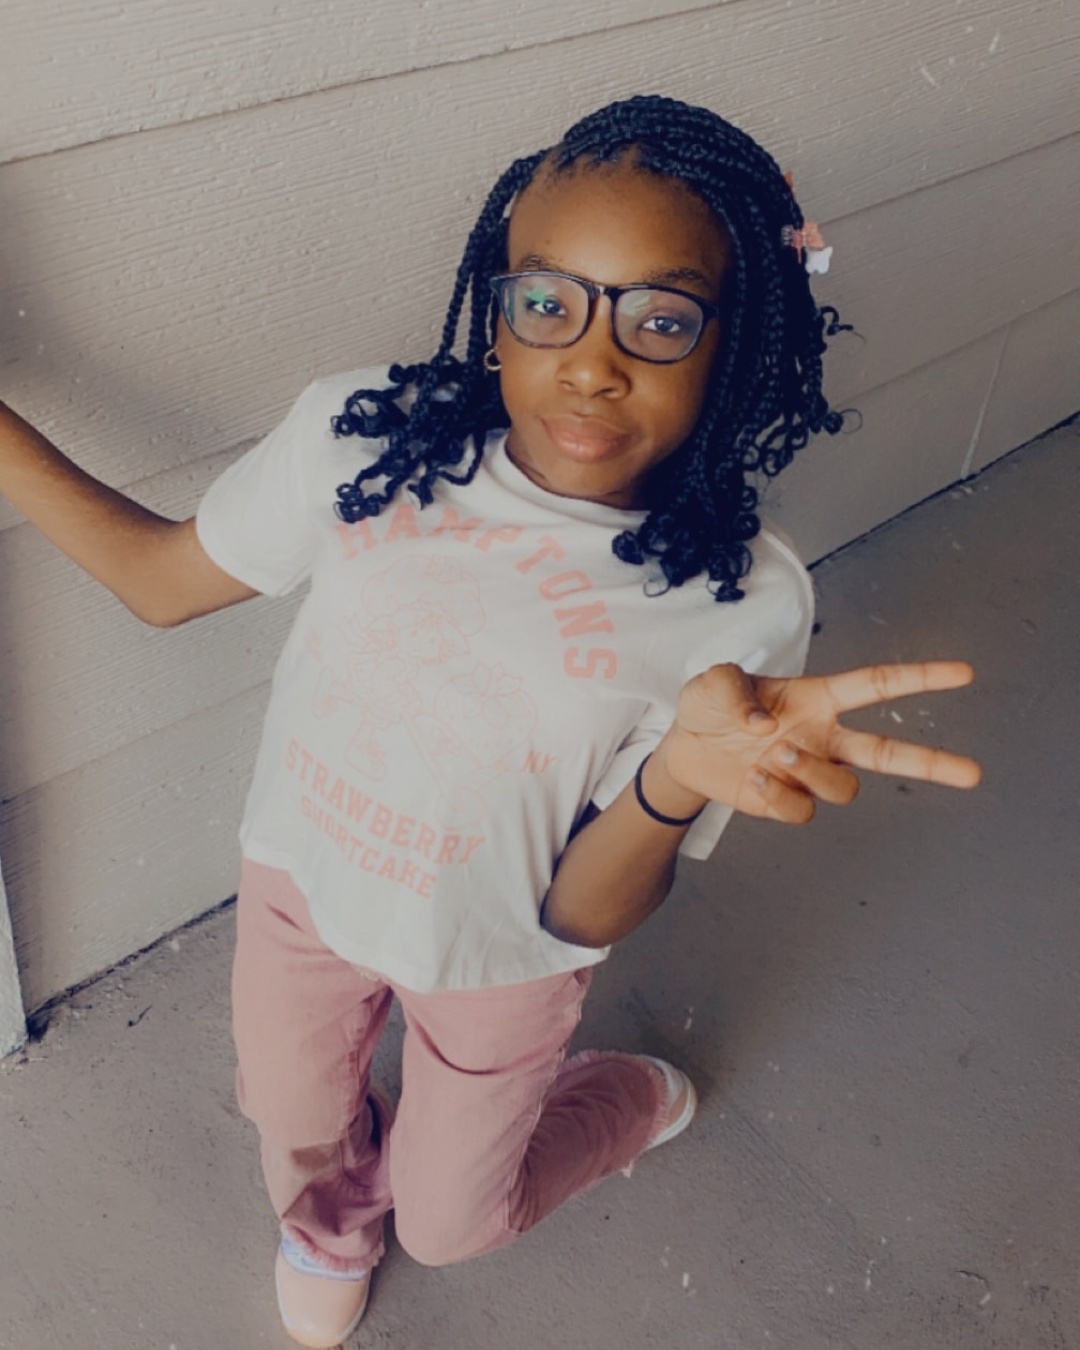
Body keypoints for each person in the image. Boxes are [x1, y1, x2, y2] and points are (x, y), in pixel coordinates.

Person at [0, 95, 980, 1348]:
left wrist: (679, 772)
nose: (591, 361)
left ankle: (611, 1101)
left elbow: (585, 910)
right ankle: (327, 1226)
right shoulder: (364, 440)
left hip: (505, 958)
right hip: (305, 889)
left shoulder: (739, 600)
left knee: (455, 1225)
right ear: (499, 297)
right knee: (291, 1119)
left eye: (661, 319)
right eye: (547, 301)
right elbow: (156, 581)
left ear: (733, 344)